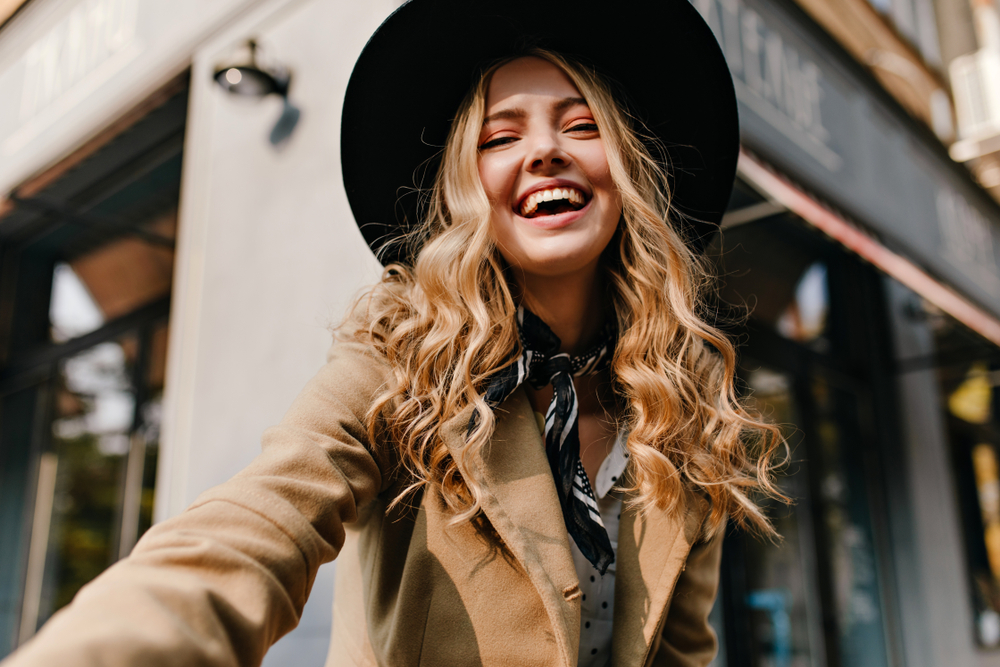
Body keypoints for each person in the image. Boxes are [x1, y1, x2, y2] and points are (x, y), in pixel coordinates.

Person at [2, 0, 785, 666]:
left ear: (626, 169)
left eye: (581, 126)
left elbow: (683, 650)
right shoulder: (399, 359)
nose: (545, 149)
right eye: (499, 137)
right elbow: (251, 533)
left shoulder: (681, 405)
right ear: (466, 192)